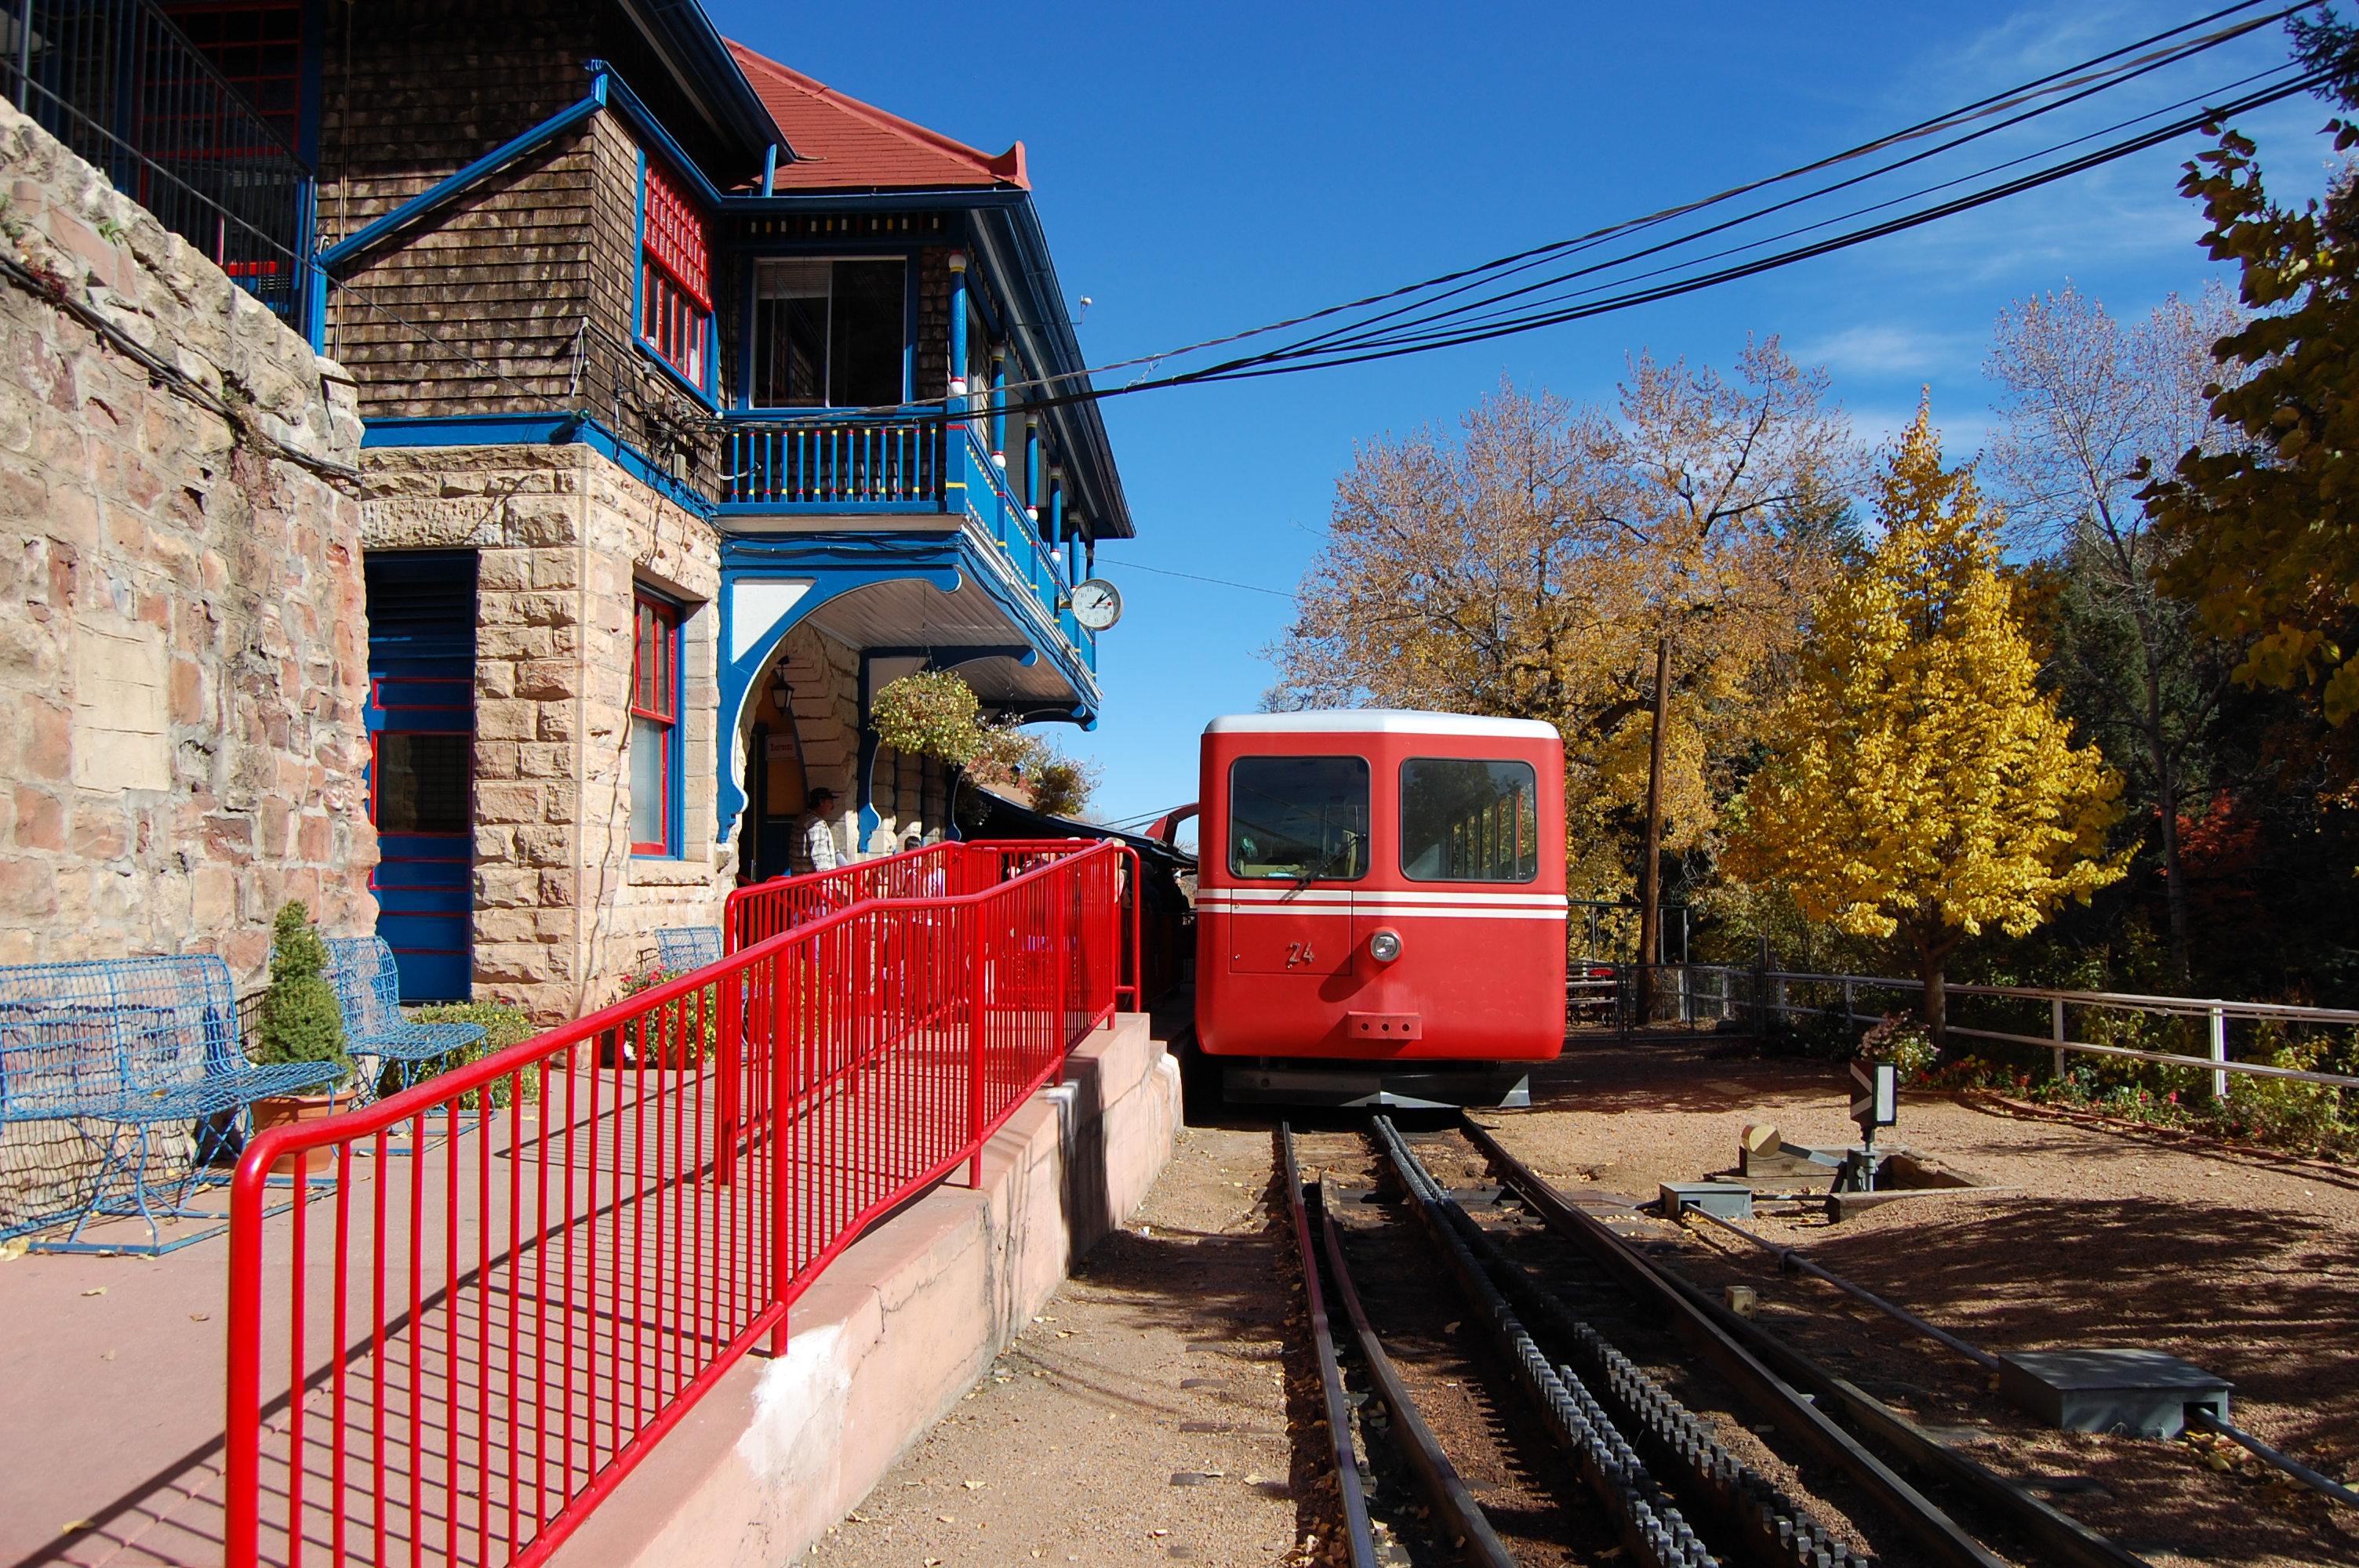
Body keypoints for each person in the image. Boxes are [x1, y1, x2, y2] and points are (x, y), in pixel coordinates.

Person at [791, 787, 840, 876]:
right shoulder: (817, 825)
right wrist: (826, 883)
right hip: (814, 885)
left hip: (800, 882)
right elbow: (820, 858)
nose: (833, 807)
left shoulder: (801, 819)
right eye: (830, 802)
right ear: (821, 802)